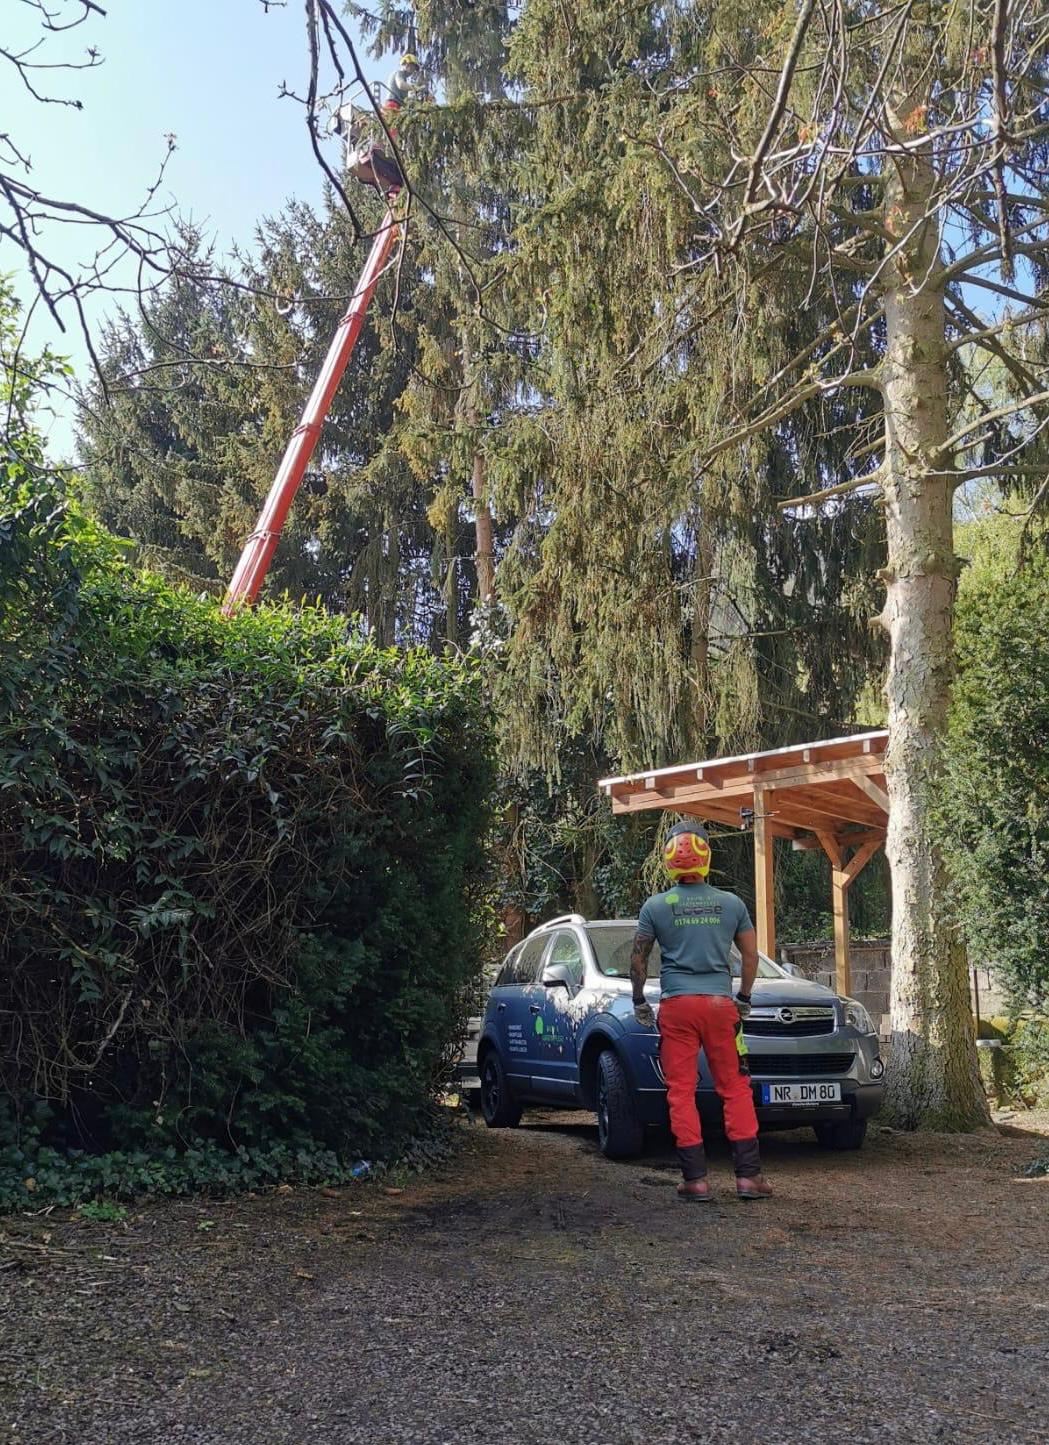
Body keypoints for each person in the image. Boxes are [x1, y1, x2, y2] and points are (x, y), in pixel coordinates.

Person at [630, 820, 773, 1202]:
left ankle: (695, 1179)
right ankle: (748, 1177)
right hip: (720, 1007)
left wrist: (639, 1000)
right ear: (707, 855)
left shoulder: (655, 907)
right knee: (735, 1088)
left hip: (677, 1008)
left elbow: (639, 961)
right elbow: (748, 957)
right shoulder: (731, 904)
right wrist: (743, 997)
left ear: (668, 859)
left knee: (681, 1091)